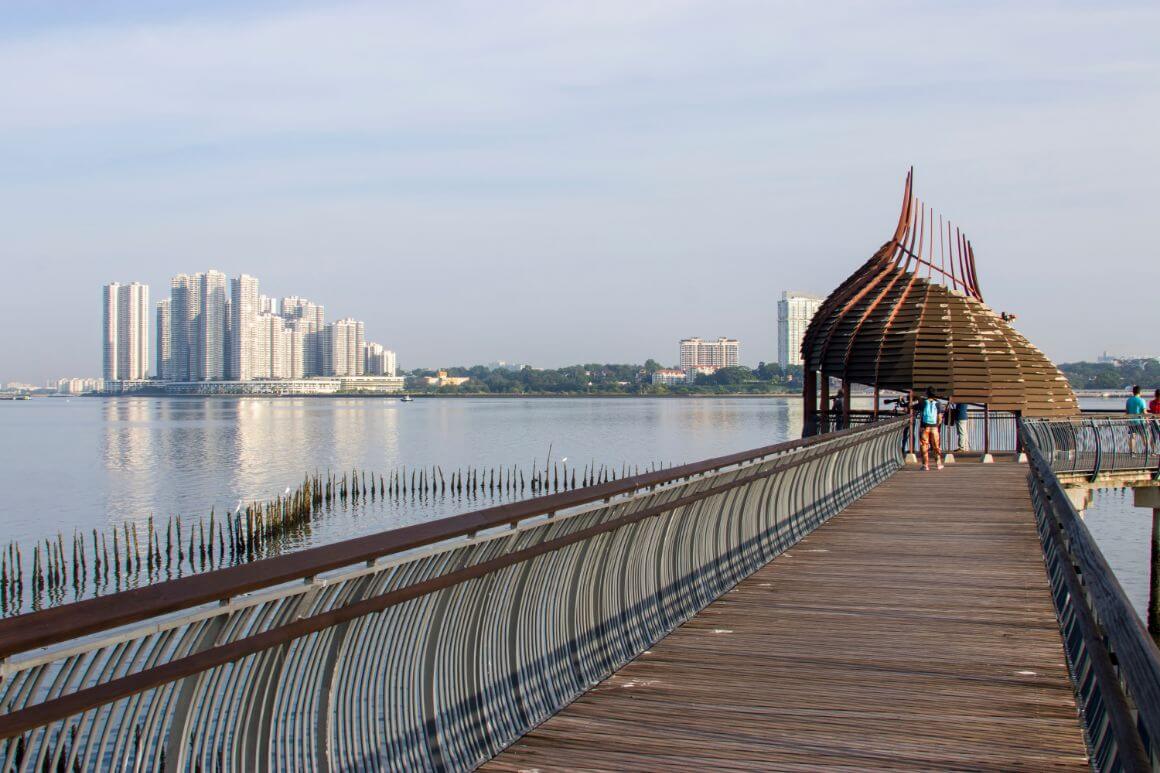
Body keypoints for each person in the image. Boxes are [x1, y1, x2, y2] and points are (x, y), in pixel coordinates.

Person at [915, 387, 944, 471]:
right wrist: (936, 425)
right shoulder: (938, 403)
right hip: (934, 428)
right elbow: (939, 417)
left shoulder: (923, 403)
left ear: (927, 393)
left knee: (924, 445)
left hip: (924, 427)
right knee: (936, 446)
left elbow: (912, 407)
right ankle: (938, 464)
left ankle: (925, 465)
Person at [1127, 385, 1148, 454]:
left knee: (1132, 437)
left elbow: (1127, 411)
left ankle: (1132, 452)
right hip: (1140, 422)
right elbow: (1144, 412)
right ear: (1140, 392)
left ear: (1133, 392)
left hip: (1131, 421)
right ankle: (1146, 451)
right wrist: (1147, 420)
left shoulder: (1129, 400)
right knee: (1144, 436)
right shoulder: (1142, 400)